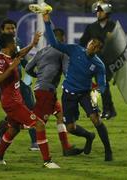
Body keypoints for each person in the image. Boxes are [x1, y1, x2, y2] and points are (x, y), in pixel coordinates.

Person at [43, 12, 113, 161]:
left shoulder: (98, 65)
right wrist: (47, 22)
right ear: (88, 43)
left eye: (96, 46)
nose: (92, 46)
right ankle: (89, 136)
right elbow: (55, 44)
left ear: (98, 50)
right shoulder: (75, 50)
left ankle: (108, 151)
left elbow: (102, 84)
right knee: (70, 128)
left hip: (86, 94)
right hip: (68, 94)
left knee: (96, 119)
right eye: (92, 43)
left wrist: (98, 92)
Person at [0, 33, 59, 168]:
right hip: (11, 103)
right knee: (39, 124)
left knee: (14, 128)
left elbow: (20, 53)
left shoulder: (11, 56)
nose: (16, 44)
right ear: (9, 44)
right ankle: (47, 161)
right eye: (14, 42)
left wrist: (33, 44)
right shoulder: (1, 59)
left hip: (17, 100)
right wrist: (10, 68)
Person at [0, 19, 38, 151]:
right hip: (4, 85)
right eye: (8, 29)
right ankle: (2, 131)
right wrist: (3, 67)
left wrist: (34, 73)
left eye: (13, 28)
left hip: (18, 83)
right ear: (2, 31)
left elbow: (22, 60)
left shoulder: (17, 42)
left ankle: (35, 142)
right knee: (16, 112)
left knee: (31, 106)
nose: (11, 30)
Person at [25, 28, 83, 156]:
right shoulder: (63, 52)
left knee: (60, 115)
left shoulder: (41, 51)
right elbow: (67, 71)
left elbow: (28, 68)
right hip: (47, 91)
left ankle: (66, 148)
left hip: (42, 89)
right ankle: (7, 126)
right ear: (63, 38)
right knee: (36, 122)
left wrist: (38, 76)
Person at [79, 1, 117, 120]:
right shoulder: (91, 27)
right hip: (95, 61)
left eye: (101, 11)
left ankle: (107, 110)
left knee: (103, 85)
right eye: (97, 11)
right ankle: (110, 110)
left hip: (110, 62)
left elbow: (120, 45)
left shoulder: (114, 27)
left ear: (107, 12)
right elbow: (82, 42)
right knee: (102, 85)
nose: (98, 13)